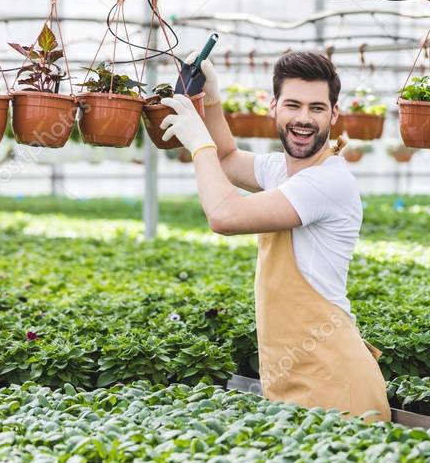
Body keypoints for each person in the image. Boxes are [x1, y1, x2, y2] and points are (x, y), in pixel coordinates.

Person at [158, 51, 390, 423]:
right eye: (293, 105)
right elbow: (230, 158)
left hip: (338, 388)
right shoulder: (283, 170)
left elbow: (224, 215)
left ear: (334, 114)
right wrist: (212, 102)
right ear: (274, 107)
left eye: (317, 108)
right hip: (299, 381)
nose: (303, 118)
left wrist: (198, 143)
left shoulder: (328, 181)